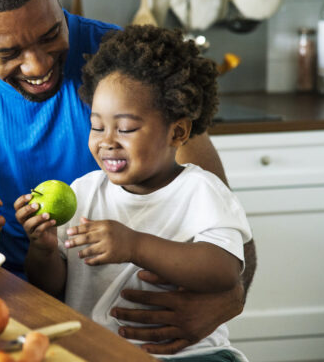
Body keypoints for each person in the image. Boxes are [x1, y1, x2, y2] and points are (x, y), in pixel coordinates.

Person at [0, 0, 257, 354]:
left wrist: (229, 301)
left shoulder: (131, 73)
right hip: (4, 307)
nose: (36, 65)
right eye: (8, 52)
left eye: (50, 34)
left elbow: (225, 225)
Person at [15, 25, 252, 361]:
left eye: (126, 128)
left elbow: (224, 270)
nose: (106, 140)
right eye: (97, 126)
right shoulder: (84, 192)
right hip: (96, 353)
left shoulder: (200, 191)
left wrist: (135, 245)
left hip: (189, 356)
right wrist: (43, 249)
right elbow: (52, 289)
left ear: (177, 132)